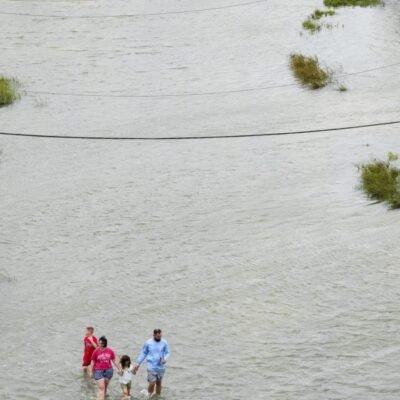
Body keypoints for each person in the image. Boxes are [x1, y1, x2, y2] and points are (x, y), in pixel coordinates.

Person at [133, 329, 170, 397]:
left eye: (160, 336)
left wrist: (165, 359)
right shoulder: (148, 343)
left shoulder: (164, 342)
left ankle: (158, 396)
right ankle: (149, 395)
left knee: (159, 383)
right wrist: (138, 363)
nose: (159, 338)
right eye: (158, 336)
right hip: (151, 366)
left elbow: (167, 353)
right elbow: (143, 353)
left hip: (161, 367)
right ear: (154, 335)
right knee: (152, 383)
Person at [90, 336, 121, 400]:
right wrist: (91, 372)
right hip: (98, 371)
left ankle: (103, 397)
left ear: (104, 343)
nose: (99, 344)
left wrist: (119, 368)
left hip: (108, 371)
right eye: (99, 343)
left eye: (101, 343)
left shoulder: (110, 351)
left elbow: (114, 360)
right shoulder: (96, 351)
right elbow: (92, 362)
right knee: (102, 387)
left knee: (105, 387)